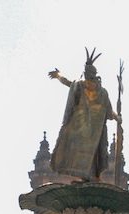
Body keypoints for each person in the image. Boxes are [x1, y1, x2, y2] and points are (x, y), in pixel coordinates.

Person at [49, 47, 121, 181]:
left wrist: (58, 76)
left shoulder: (84, 87)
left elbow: (68, 83)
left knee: (86, 154)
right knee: (92, 155)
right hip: (91, 132)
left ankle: (90, 177)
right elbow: (110, 113)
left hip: (83, 130)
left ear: (89, 74)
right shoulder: (99, 91)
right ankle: (89, 177)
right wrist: (117, 117)